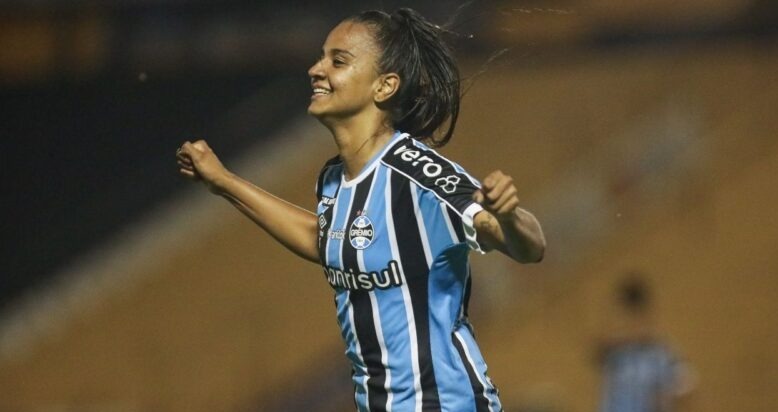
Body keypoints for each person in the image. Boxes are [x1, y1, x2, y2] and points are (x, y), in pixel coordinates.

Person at [176, 8, 545, 412]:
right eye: (321, 57)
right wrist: (224, 182)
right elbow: (324, 240)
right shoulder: (333, 180)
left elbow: (526, 245)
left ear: (384, 86)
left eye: (338, 60)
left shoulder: (417, 175)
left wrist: (509, 216)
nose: (316, 69)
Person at [597, 275, 696, 412]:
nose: (629, 325)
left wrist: (666, 396)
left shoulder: (661, 352)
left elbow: (686, 386)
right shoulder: (615, 356)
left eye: (635, 317)